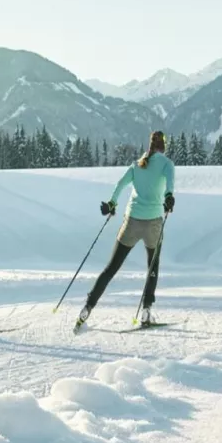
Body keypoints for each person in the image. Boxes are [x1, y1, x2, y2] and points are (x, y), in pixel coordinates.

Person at [77, 130, 175, 330]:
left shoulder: (137, 165)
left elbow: (120, 185)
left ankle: (87, 308)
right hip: (154, 223)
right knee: (152, 267)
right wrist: (168, 198)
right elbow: (169, 188)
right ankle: (146, 311)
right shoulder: (167, 164)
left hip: (131, 221)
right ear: (163, 145)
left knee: (111, 268)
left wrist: (112, 204)